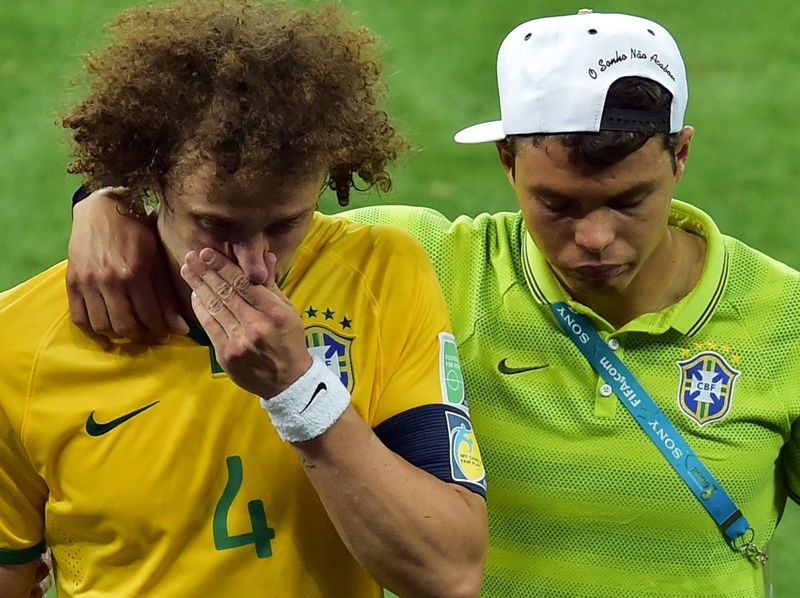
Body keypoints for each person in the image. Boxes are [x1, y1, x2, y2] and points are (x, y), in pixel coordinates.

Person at [63, 8, 800, 598]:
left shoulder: (787, 317)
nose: (596, 238)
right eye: (558, 205)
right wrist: (108, 200)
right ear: (506, 160)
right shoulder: (413, 261)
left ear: (681, 155)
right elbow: (240, 205)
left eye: (629, 201)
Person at [0, 1, 490, 597]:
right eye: (216, 224)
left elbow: (449, 575)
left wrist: (298, 393)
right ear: (149, 179)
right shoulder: (19, 342)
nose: (256, 263)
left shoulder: (382, 275)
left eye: (286, 224)